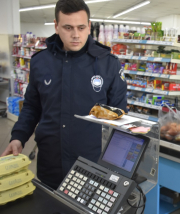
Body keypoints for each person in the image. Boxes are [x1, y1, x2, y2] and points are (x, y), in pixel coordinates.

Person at [1, 0, 127, 189]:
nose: (76, 34)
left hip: (91, 165)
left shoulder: (108, 64)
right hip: (50, 163)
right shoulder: (40, 63)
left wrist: (117, 171)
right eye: (68, 27)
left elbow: (120, 116)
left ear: (89, 26)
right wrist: (18, 137)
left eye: (81, 27)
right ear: (56, 26)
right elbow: (32, 107)